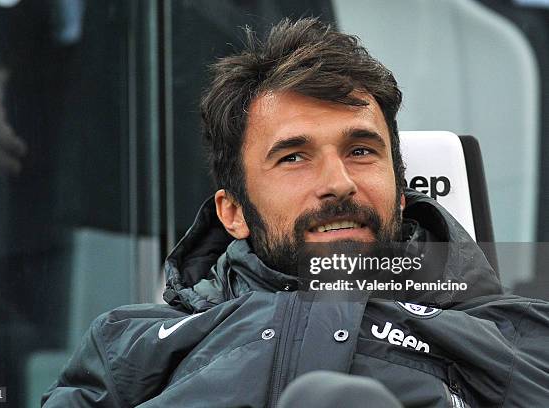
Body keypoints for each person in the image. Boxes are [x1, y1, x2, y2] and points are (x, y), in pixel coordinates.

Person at [42, 17, 549, 407]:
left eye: (361, 151)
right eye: (294, 157)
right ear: (234, 212)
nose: (338, 183)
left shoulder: (519, 342)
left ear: (399, 191)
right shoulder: (129, 347)